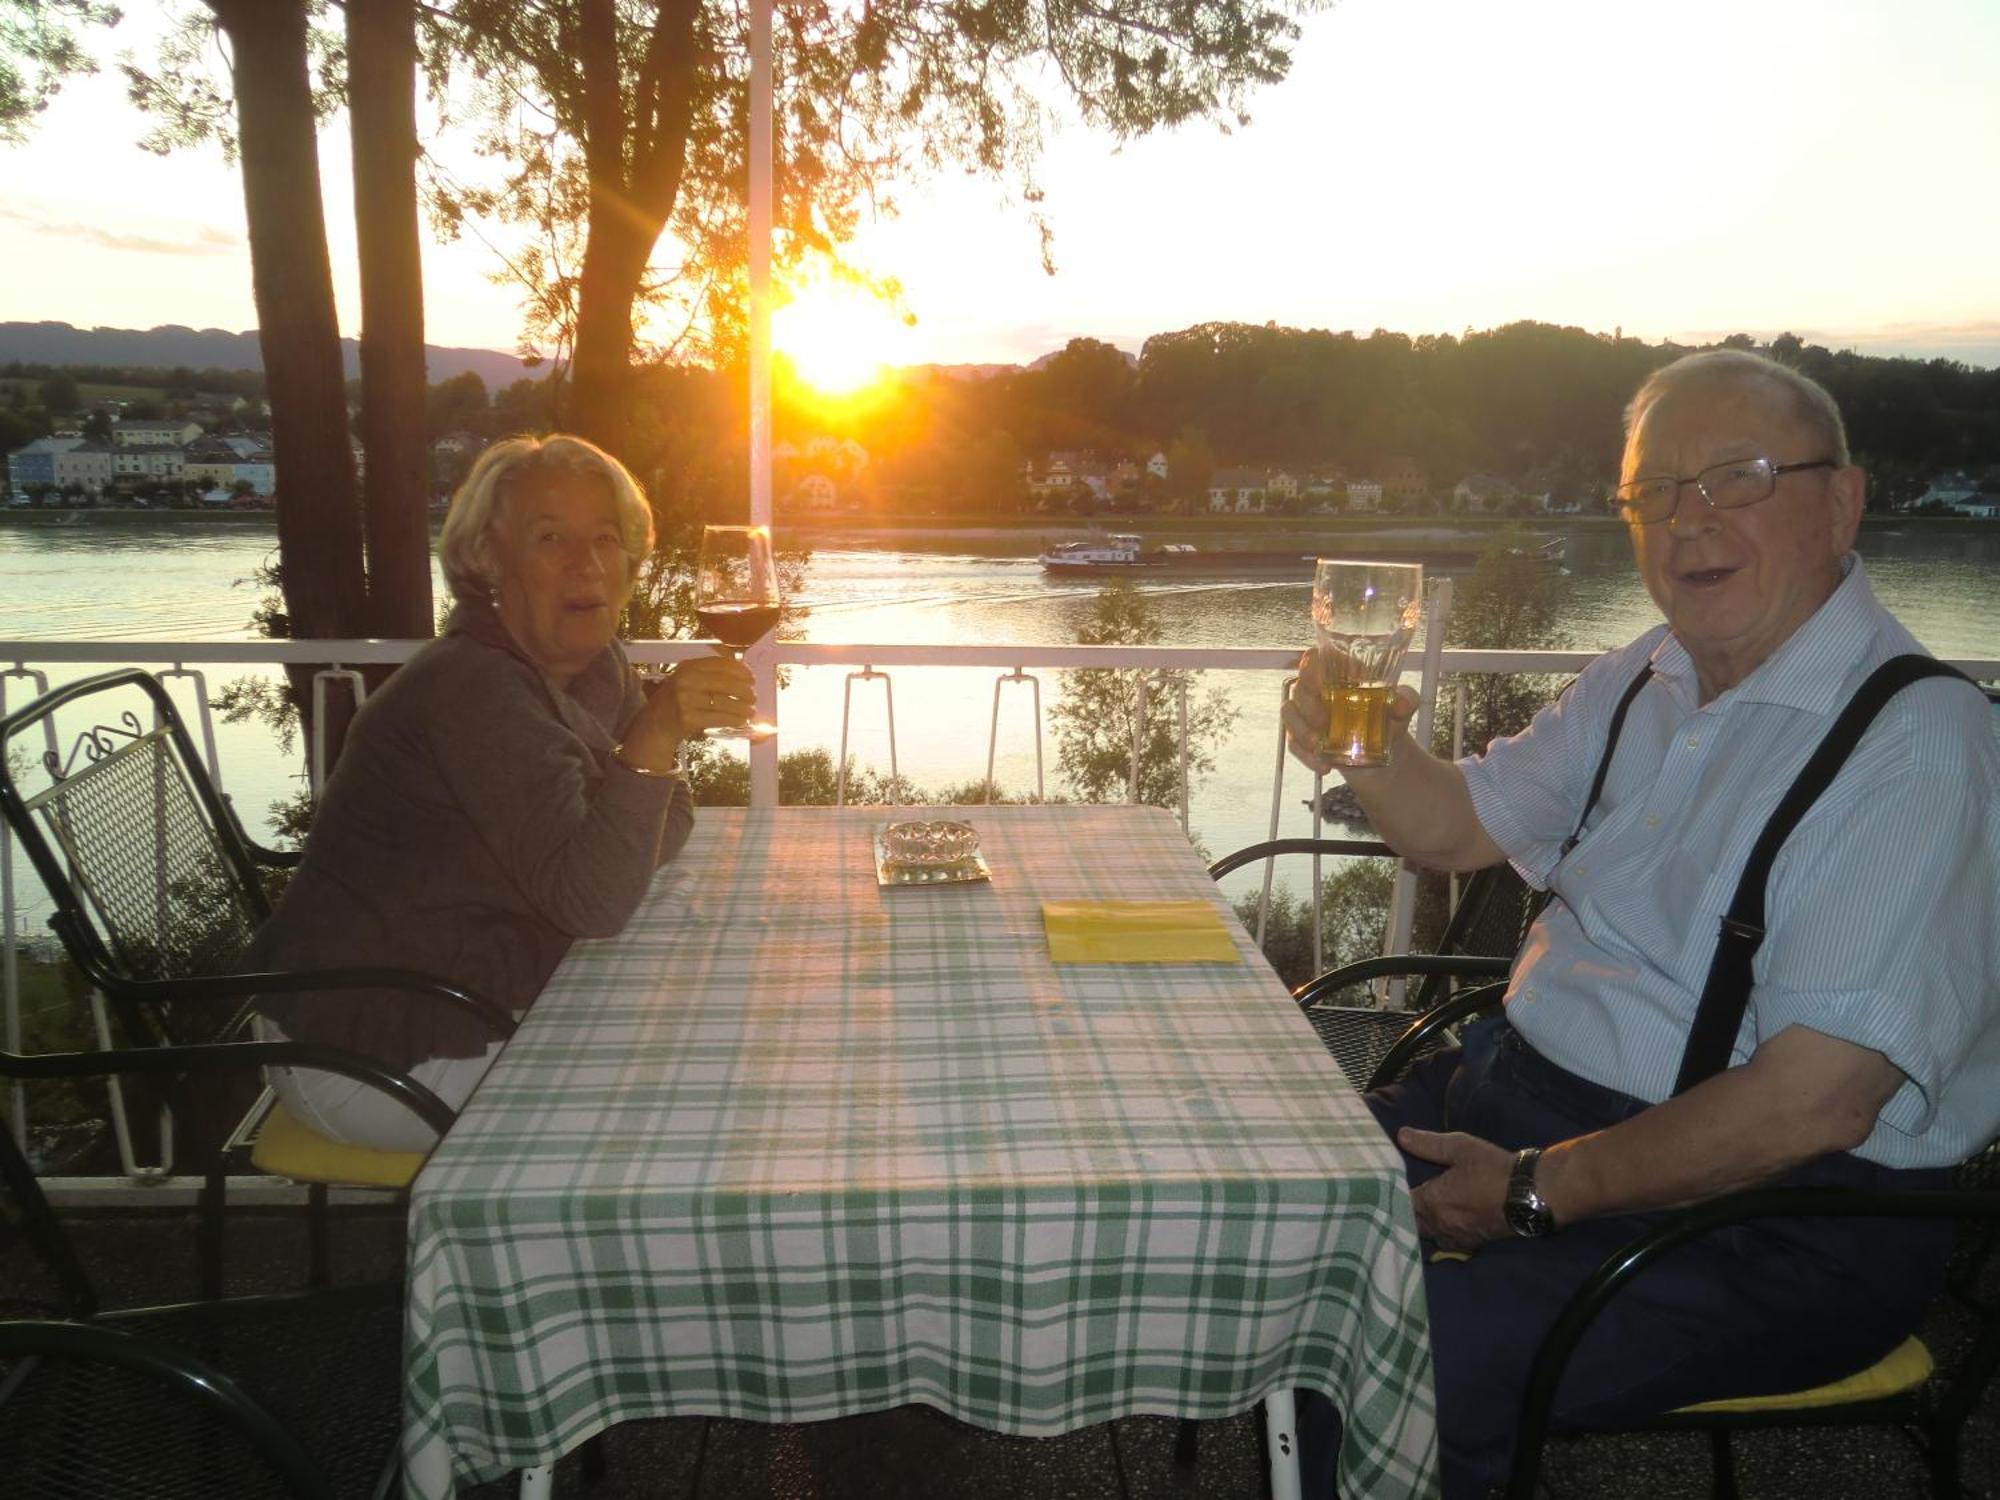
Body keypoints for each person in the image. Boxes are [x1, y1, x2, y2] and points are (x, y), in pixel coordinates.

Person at [1282, 350, 2000, 1497]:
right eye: (1649, 491)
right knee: (1269, 1194)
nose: (1685, 519)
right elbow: (1454, 826)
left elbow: (1815, 1100)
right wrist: (1358, 745)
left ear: (1842, 498)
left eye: (1734, 477)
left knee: (1394, 1355)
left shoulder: (1916, 745)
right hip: (1511, 1096)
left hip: (1772, 1216)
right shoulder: (1645, 674)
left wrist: (1529, 1189)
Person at [248, 434, 757, 1152]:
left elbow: (663, 820)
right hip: (374, 1043)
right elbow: (598, 897)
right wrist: (650, 741)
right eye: (552, 538)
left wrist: (626, 801)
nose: (588, 565)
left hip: (468, 986)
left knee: (710, 1024)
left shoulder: (592, 664)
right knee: (680, 1099)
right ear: (489, 559)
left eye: (606, 540)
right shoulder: (472, 688)